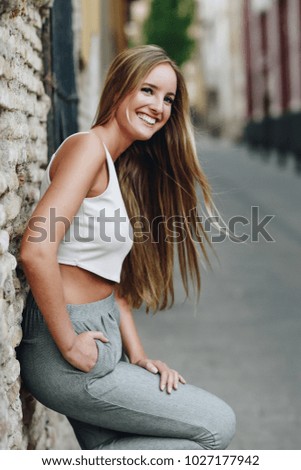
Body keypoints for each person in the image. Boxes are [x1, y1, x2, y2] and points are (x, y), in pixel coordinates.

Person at [17, 45, 236, 450]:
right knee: (214, 427)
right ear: (119, 88)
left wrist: (138, 356)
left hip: (101, 339)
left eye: (168, 99)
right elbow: (36, 248)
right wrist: (67, 342)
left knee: (115, 452)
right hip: (67, 350)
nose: (159, 106)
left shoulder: (114, 166)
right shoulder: (87, 149)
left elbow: (110, 285)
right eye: (148, 91)